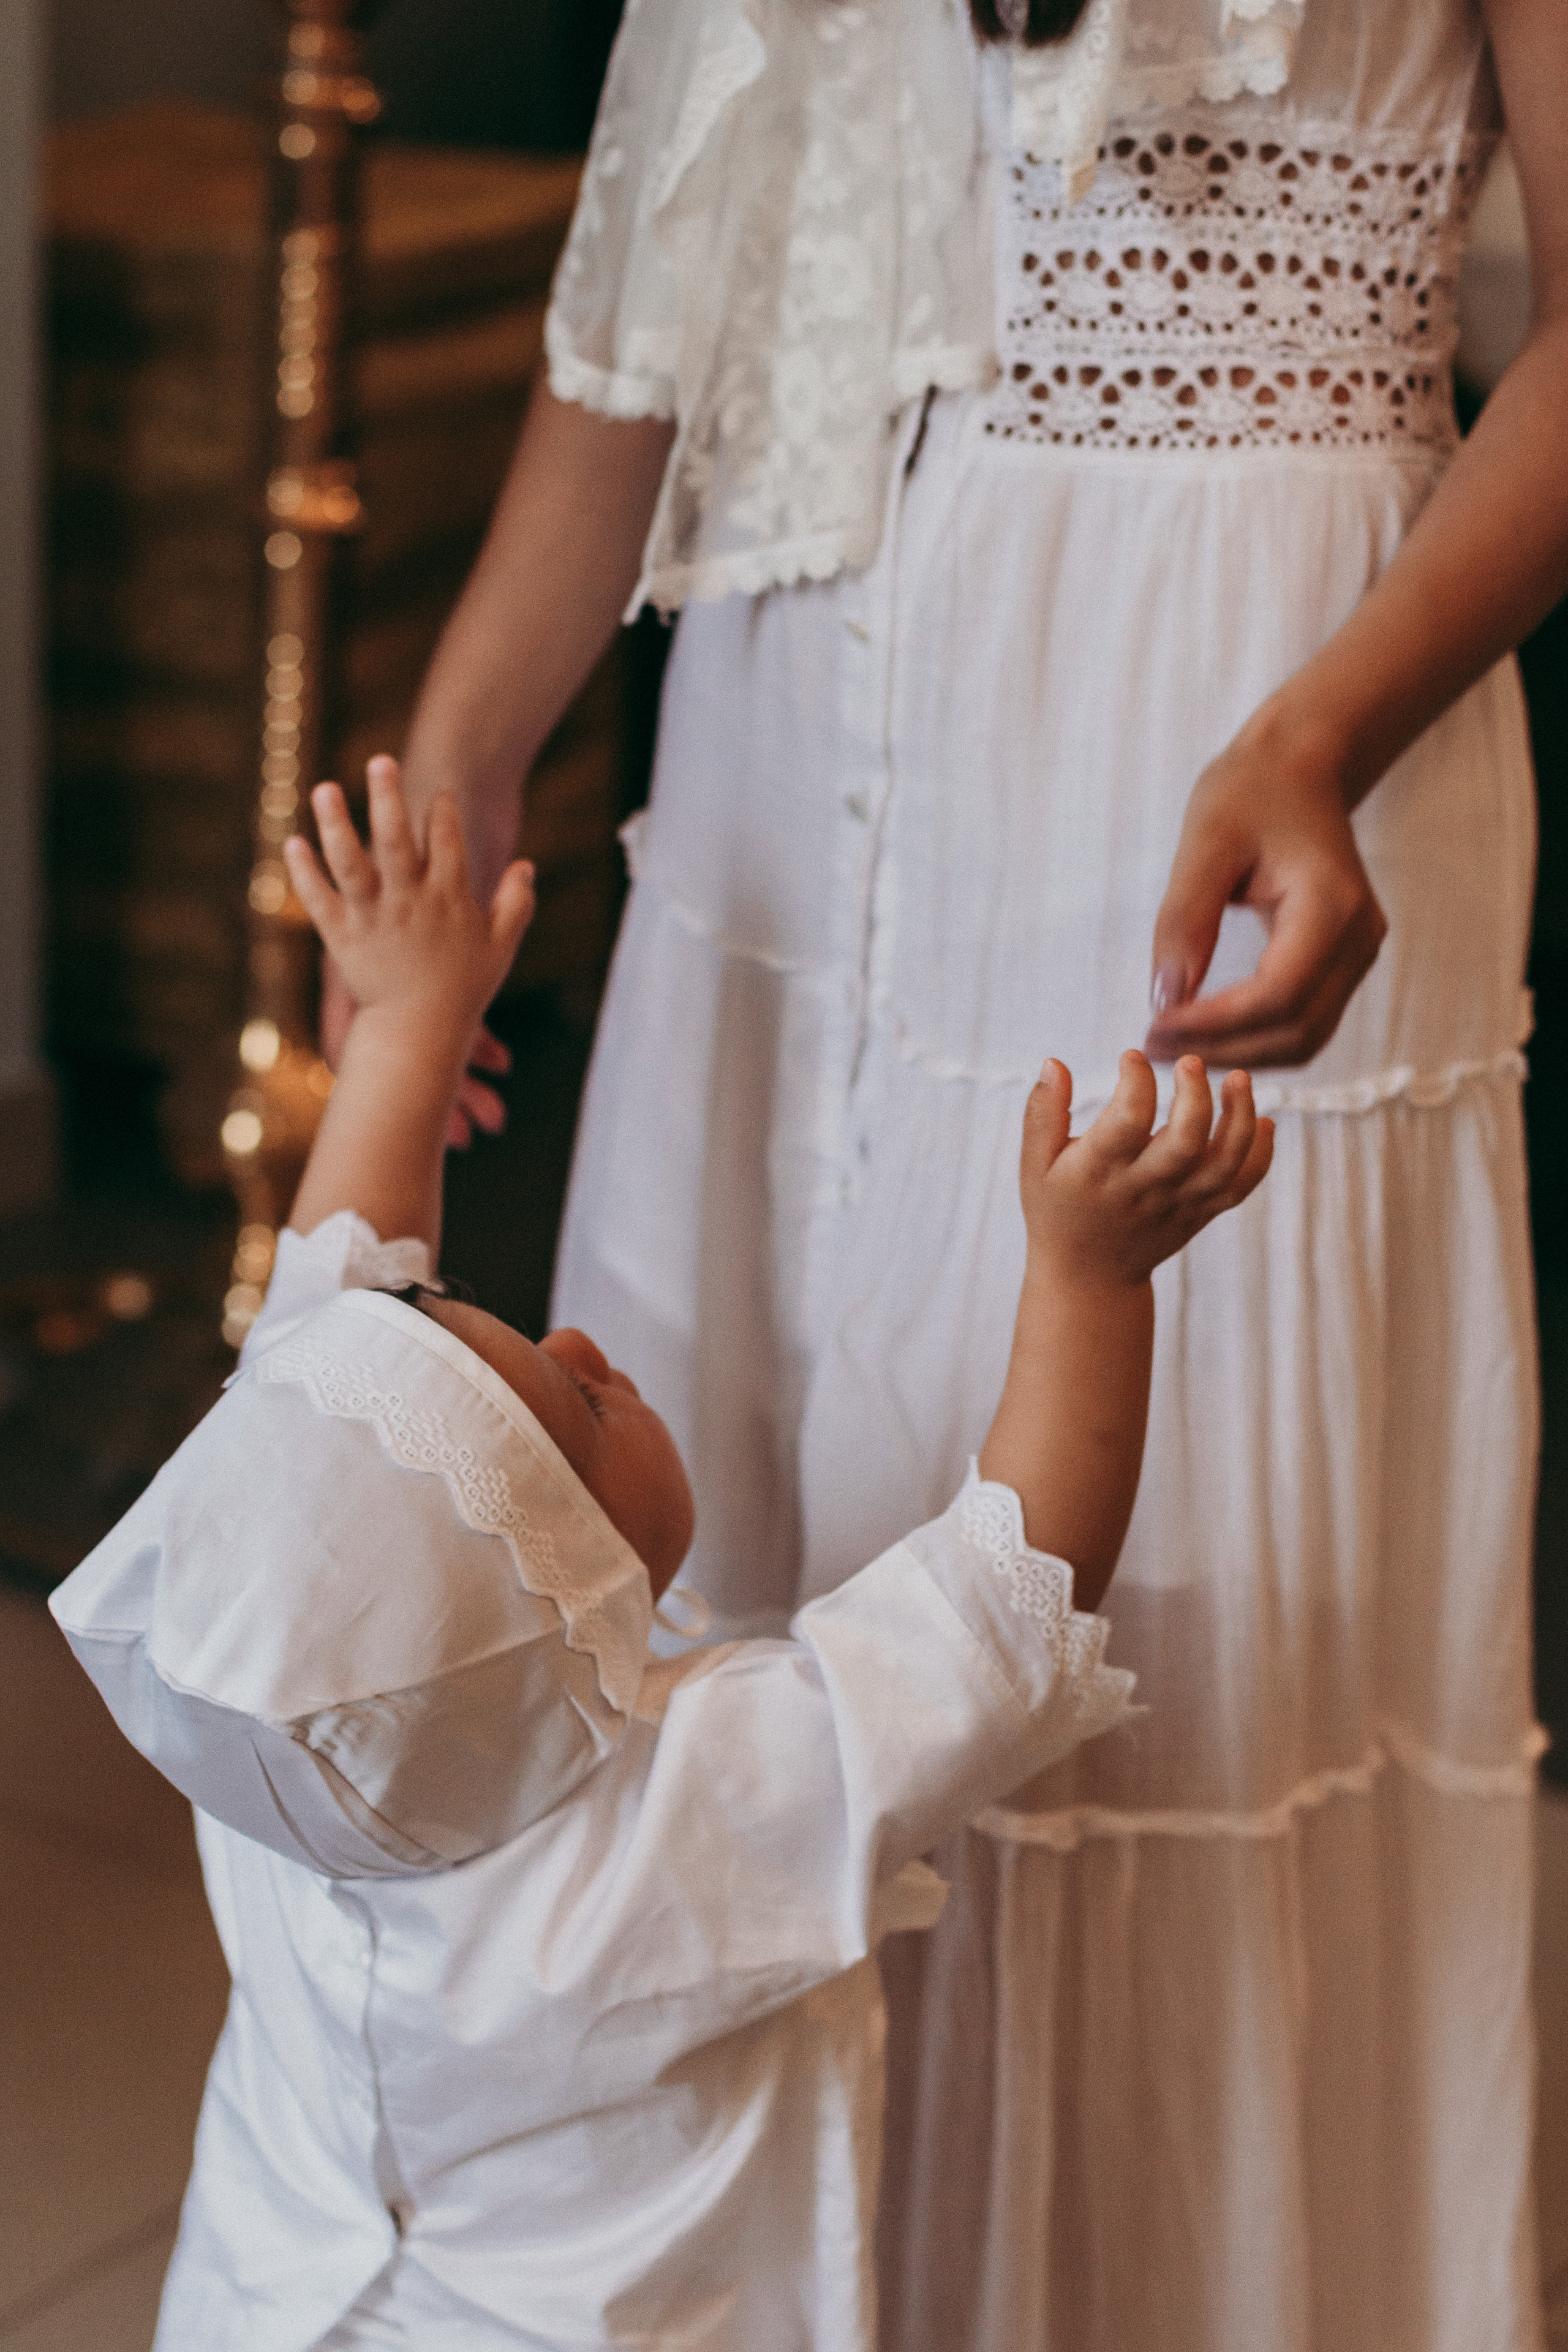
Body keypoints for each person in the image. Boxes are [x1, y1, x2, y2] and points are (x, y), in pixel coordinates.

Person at [332, 4, 1568, 2345]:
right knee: (759, 1655)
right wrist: (476, 740)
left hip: (1234, 727)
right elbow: (673, 268)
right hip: (793, 762)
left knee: (1155, 1632)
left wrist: (1324, 727)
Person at [53, 759, 1270, 2351]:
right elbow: (1011, 1596)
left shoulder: (277, 1721)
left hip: (263, 2305)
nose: (582, 1338)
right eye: (576, 1400)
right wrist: (1092, 1279)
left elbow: (334, 1324)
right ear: (567, 1596)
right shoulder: (684, 1820)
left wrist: (413, 1020)